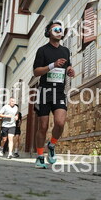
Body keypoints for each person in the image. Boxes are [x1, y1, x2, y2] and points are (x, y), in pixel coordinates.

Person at [32, 20, 75, 168]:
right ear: (48, 33)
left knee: (60, 123)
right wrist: (52, 65)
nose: (59, 31)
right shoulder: (42, 50)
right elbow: (36, 72)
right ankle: (39, 157)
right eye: (55, 29)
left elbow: (67, 66)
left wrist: (69, 70)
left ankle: (51, 144)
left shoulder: (65, 51)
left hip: (59, 92)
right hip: (44, 91)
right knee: (43, 127)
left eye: (60, 29)